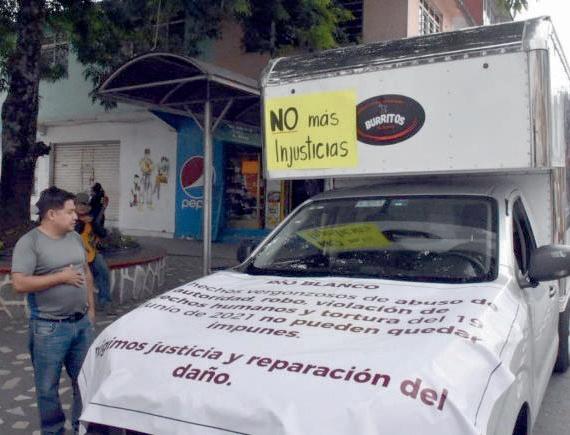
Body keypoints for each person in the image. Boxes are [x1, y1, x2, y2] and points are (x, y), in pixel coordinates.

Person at [11, 186, 96, 435]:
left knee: (85, 382)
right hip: (49, 328)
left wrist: (91, 309)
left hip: (81, 324)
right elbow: (19, 283)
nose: (76, 216)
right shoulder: (30, 243)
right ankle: (53, 431)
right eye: (70, 212)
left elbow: (86, 272)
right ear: (51, 214)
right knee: (47, 388)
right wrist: (60, 277)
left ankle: (82, 427)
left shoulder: (74, 237)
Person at [75, 192, 116, 317]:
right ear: (74, 205)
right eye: (80, 204)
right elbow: (74, 232)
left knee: (103, 271)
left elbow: (102, 234)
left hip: (91, 253)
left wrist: (93, 223)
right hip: (75, 254)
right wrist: (82, 222)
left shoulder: (91, 219)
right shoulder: (71, 218)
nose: (82, 207)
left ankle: (105, 302)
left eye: (85, 204)